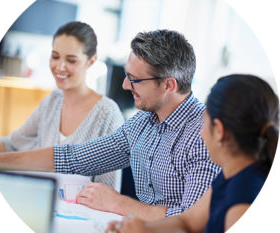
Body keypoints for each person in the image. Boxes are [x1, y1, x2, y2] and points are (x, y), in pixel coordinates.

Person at [0, 29, 220, 221]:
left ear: (169, 85)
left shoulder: (205, 135)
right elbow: (73, 157)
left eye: (135, 80)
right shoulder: (142, 122)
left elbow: (193, 220)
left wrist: (119, 203)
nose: (126, 86)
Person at [106, 74, 279, 233]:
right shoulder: (231, 175)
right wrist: (144, 229)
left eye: (204, 122)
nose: (201, 133)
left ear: (218, 130)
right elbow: (188, 221)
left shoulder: (244, 200)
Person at [0, 21, 124, 190]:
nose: (60, 67)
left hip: (80, 213)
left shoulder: (108, 113)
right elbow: (13, 143)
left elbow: (109, 190)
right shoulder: (52, 101)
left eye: (71, 60)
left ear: (91, 61)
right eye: (55, 56)